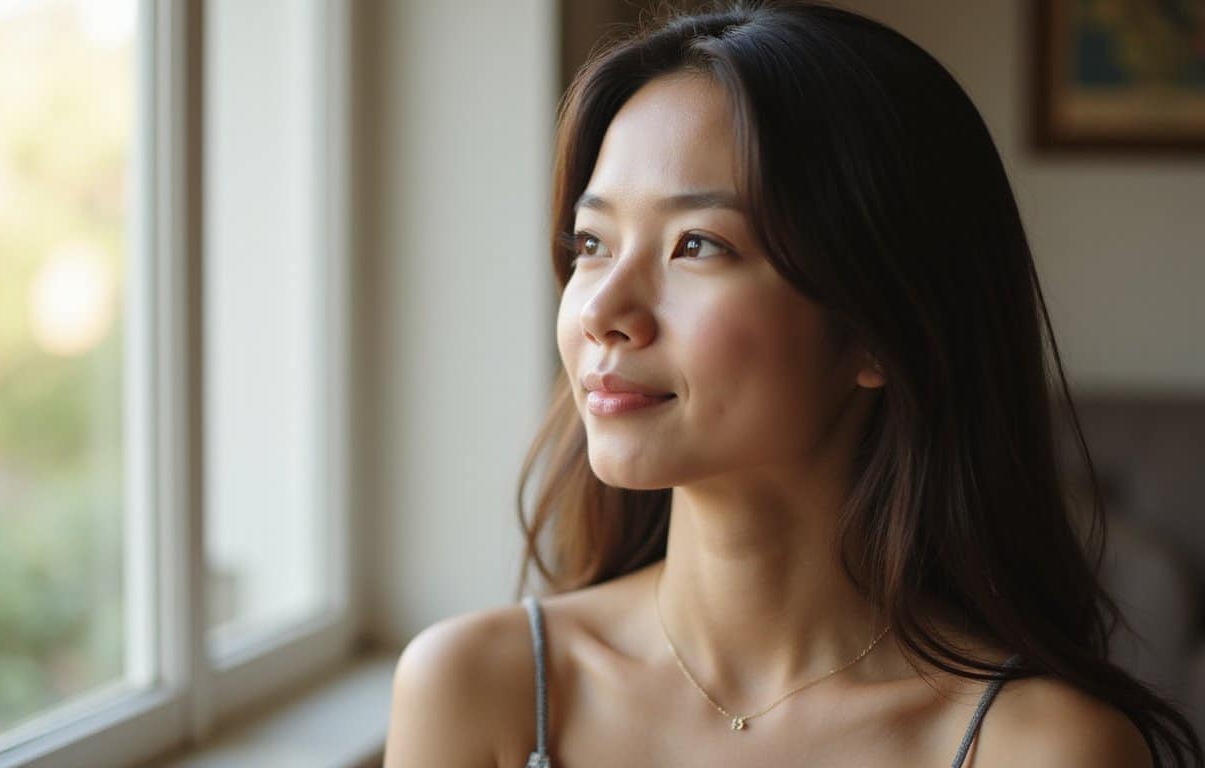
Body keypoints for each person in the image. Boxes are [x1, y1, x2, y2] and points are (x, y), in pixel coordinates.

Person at [383, 2, 1203, 766]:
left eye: (697, 245)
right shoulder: (478, 689)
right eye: (591, 243)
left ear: (880, 328)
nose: (600, 311)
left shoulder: (1037, 748)